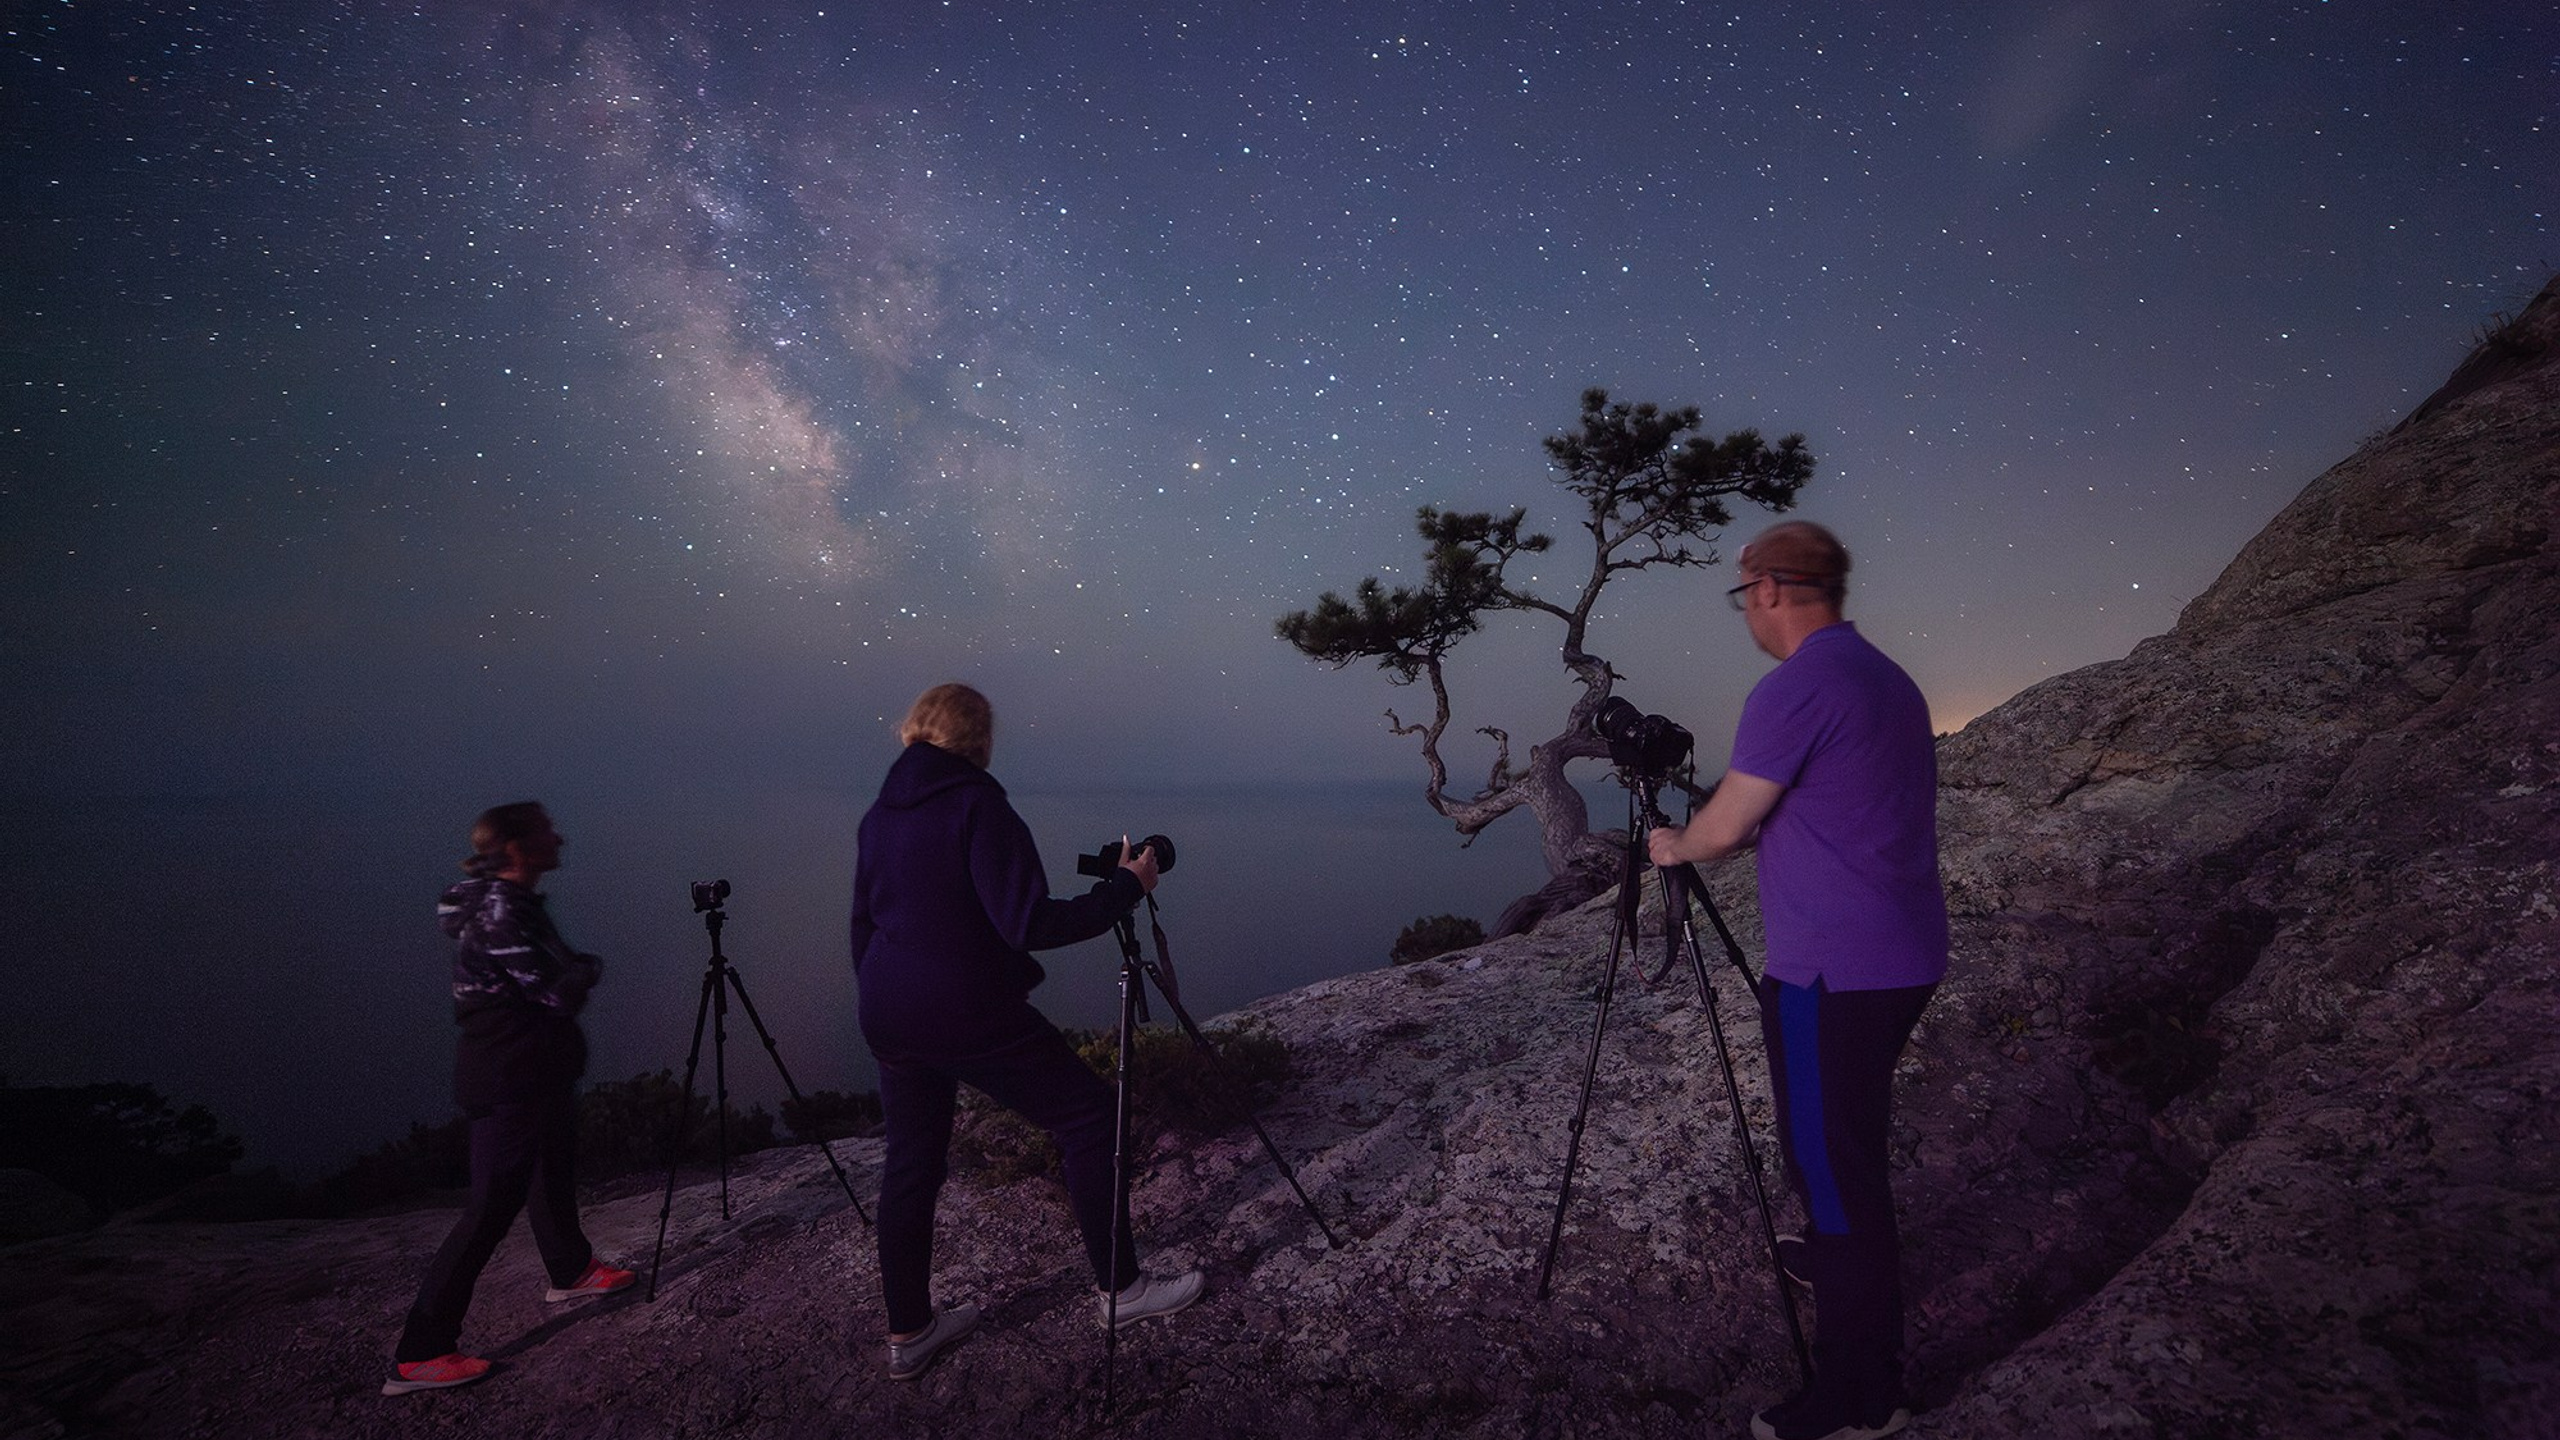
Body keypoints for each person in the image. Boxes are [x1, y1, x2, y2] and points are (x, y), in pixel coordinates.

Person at [1647, 521, 1947, 1440]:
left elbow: (1728, 825)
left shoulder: (1796, 685)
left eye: (1744, 596)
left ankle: (1862, 1399)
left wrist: (1672, 842)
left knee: (1833, 1170)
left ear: (1769, 590)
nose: (1747, 612)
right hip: (1902, 954)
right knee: (1847, 1145)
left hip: (1832, 974)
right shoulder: (1884, 677)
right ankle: (1832, 1252)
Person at [849, 682, 1204, 1381]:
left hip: (887, 1007)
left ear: (917, 732)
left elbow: (862, 926)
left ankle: (910, 1331)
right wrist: (1127, 888)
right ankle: (1122, 1291)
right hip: (960, 1007)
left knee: (912, 1162)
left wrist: (888, 993)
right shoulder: (978, 804)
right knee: (1090, 1116)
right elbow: (1029, 923)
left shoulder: (878, 814)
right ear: (978, 738)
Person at [384, 801, 635, 1396]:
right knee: (490, 1207)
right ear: (520, 848)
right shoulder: (501, 912)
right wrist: (585, 970)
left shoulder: (516, 904)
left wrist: (573, 972)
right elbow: (553, 993)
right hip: (506, 1078)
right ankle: (419, 1352)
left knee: (551, 1166)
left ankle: (571, 1270)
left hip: (532, 1071)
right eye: (548, 829)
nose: (560, 836)